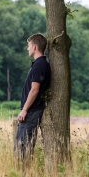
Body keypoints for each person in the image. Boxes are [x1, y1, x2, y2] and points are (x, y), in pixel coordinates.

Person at [15, 33, 51, 168]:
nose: (27, 48)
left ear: (35, 47)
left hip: (31, 112)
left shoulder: (39, 65)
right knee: (21, 147)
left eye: (29, 46)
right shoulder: (40, 64)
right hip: (31, 111)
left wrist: (24, 110)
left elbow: (34, 89)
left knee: (22, 149)